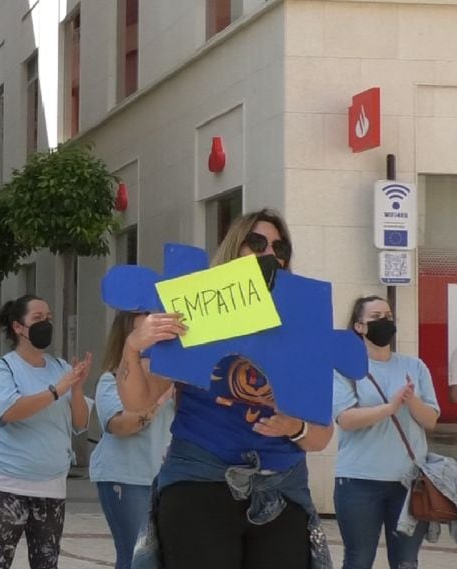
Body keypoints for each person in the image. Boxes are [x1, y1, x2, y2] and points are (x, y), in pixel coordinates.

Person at [121, 209, 334, 569]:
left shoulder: (302, 324)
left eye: (280, 247)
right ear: (236, 249)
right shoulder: (199, 310)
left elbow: (320, 437)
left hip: (280, 487)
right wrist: (133, 345)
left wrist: (293, 427)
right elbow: (137, 400)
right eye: (257, 242)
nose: (271, 252)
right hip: (200, 481)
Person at [0, 294, 92, 569]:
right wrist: (56, 390)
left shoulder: (61, 368)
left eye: (49, 318)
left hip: (51, 484)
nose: (46, 324)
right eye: (38, 319)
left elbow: (80, 423)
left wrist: (75, 388)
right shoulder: (1, 369)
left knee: (46, 563)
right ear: (18, 327)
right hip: (6, 483)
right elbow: (10, 411)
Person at [333, 296, 438, 569]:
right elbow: (345, 418)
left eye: (388, 316)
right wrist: (390, 407)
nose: (385, 322)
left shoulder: (414, 367)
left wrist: (411, 400)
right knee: (359, 559)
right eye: (376, 317)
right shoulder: (344, 369)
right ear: (359, 326)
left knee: (406, 562)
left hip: (409, 482)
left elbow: (431, 420)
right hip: (358, 481)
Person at [89, 310, 174, 569]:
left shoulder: (169, 379)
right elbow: (120, 425)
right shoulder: (111, 380)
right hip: (125, 479)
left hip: (162, 480)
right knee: (136, 557)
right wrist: (156, 401)